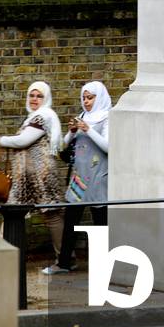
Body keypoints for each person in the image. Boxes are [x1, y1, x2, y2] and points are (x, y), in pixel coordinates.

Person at [0, 80, 65, 257]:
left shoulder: (42, 116)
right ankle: (5, 255)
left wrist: (0, 139)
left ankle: (64, 259)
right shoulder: (34, 117)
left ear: (46, 98)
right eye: (32, 95)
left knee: (50, 215)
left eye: (39, 96)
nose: (34, 99)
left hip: (40, 175)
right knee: (15, 211)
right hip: (26, 176)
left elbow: (24, 140)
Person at [42, 80, 112, 274]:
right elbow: (62, 147)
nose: (86, 101)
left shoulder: (107, 117)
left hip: (98, 176)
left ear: (100, 97)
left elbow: (109, 147)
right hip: (78, 177)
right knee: (71, 219)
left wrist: (88, 129)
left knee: (100, 221)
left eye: (90, 98)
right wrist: (71, 132)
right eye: (84, 97)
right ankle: (64, 262)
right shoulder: (82, 116)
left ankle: (102, 265)